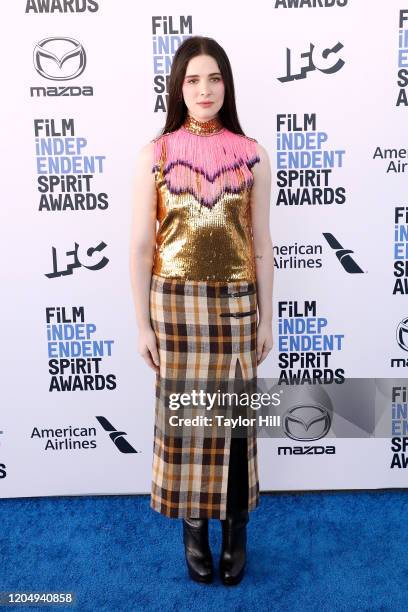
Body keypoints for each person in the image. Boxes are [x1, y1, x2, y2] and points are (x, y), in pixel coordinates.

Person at [129, 35, 273, 586]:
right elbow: (142, 246)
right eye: (193, 79)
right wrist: (142, 324)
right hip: (174, 305)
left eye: (214, 78)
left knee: (233, 426)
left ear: (226, 84)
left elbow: (261, 243)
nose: (205, 89)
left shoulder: (252, 154)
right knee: (187, 423)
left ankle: (235, 530)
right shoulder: (155, 154)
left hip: (236, 303)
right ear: (178, 87)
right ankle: (194, 530)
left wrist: (268, 315)